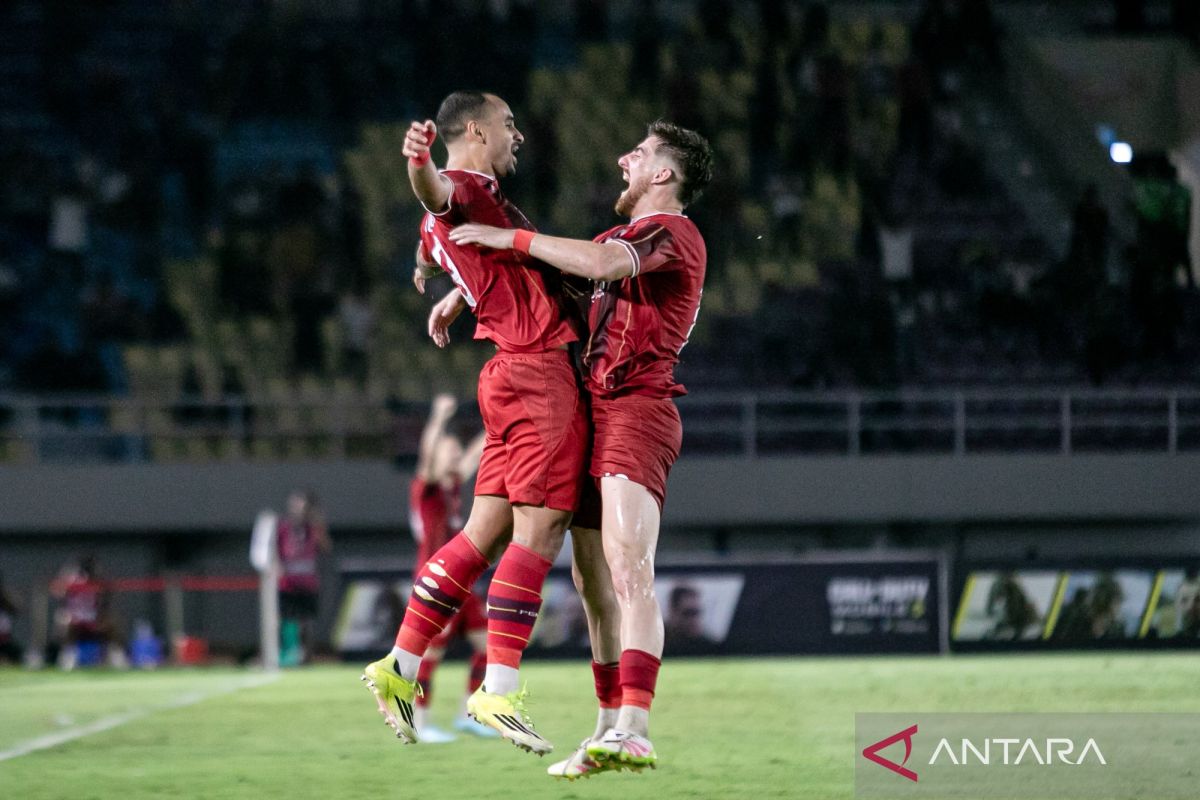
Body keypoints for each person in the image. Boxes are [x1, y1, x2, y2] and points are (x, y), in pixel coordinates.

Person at [449, 120, 713, 775]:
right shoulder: (616, 238)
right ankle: (606, 726)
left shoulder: (673, 233)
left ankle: (636, 729)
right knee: (592, 582)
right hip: (593, 411)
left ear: (664, 174)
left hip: (637, 411)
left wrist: (508, 236)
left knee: (629, 570)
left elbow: (597, 266)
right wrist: (463, 290)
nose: (625, 159)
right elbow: (557, 273)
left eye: (640, 153)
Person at [361, 90, 592, 755]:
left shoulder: (474, 205)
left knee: (483, 533)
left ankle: (400, 664)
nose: (518, 134)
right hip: (539, 371)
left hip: (505, 375)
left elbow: (434, 247)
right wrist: (419, 162)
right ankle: (498, 690)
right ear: (475, 131)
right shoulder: (463, 186)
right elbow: (435, 194)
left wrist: (454, 290)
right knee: (541, 529)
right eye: (508, 124)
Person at [405, 393, 496, 743]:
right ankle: (420, 722)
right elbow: (426, 456)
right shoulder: (425, 489)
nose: (456, 455)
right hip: (435, 583)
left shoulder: (453, 486)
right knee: (431, 653)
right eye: (450, 450)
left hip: (463, 582)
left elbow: (476, 453)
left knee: (488, 645)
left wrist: (501, 417)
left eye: (456, 450)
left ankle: (467, 715)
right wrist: (438, 417)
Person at [276, 490, 332, 666]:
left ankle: (306, 656)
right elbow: (275, 551)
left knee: (306, 621)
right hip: (287, 582)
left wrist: (318, 526)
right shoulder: (283, 528)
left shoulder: (313, 528)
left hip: (308, 583)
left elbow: (326, 547)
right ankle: (285, 652)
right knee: (285, 619)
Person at [51, 556, 127, 669]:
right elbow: (58, 593)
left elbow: (105, 603)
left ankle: (117, 657)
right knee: (63, 619)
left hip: (93, 619)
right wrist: (67, 580)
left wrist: (101, 617)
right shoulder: (72, 581)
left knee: (112, 623)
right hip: (75, 617)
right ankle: (68, 657)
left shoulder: (99, 583)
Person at [0, 571, 21, 665]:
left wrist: (4, 597)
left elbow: (16, 609)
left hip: (4, 637)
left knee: (14, 652)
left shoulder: (4, 596)